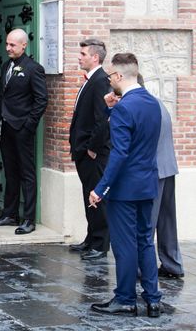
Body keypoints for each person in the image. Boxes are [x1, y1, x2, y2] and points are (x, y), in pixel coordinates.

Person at [89, 53, 162, 318]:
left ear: (119, 76)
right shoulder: (153, 103)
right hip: (148, 184)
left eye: (110, 76)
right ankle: (153, 299)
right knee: (145, 241)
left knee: (124, 245)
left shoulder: (124, 108)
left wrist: (100, 188)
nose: (109, 81)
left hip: (125, 189)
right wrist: (111, 109)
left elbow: (120, 153)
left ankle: (125, 299)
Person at [0, 28, 48, 235]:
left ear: (24, 45)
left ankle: (29, 219)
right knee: (10, 172)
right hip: (6, 126)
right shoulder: (6, 66)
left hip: (22, 128)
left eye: (12, 45)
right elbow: (1, 97)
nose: (8, 48)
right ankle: (9, 214)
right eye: (7, 44)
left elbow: (41, 100)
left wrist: (28, 125)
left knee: (27, 173)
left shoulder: (33, 69)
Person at [136, 75, 184, 279]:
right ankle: (172, 264)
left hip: (152, 171)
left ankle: (142, 268)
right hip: (167, 167)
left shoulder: (143, 106)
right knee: (167, 221)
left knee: (146, 222)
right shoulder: (157, 102)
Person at [68, 39, 111, 261]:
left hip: (92, 153)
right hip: (83, 151)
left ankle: (100, 244)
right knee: (88, 194)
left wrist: (92, 148)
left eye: (83, 53)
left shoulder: (102, 81)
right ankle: (90, 238)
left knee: (96, 196)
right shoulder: (90, 80)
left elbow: (103, 119)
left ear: (95, 57)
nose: (79, 56)